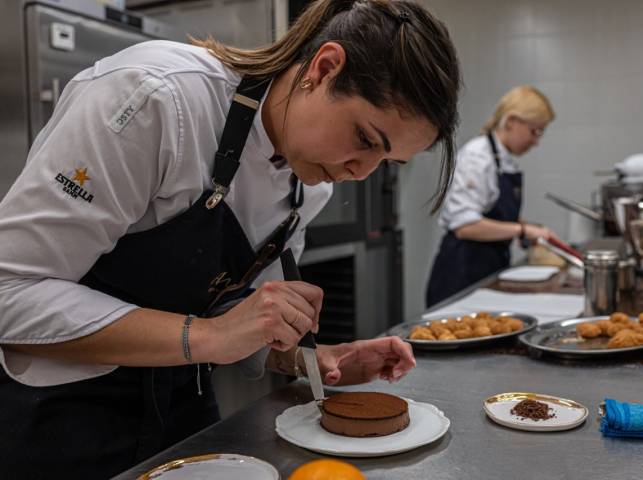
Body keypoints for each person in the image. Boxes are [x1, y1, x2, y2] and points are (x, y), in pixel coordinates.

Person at [0, 1, 460, 477]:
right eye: (365, 139)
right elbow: (11, 293)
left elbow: (233, 315)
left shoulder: (310, 185)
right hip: (59, 417)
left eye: (386, 163)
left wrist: (311, 359)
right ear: (323, 69)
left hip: (184, 409)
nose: (359, 174)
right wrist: (208, 335)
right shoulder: (157, 98)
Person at [426, 85, 555, 307]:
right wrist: (522, 230)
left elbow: (492, 213)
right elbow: (465, 226)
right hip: (462, 272)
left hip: (489, 267)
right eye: (535, 131)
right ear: (512, 121)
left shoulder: (503, 160)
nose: (536, 142)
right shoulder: (478, 156)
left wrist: (528, 228)